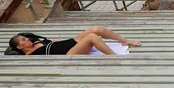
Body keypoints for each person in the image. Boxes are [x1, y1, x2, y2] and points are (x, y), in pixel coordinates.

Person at [8, 27, 141, 56]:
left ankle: (125, 40)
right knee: (92, 37)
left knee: (96, 29)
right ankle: (114, 57)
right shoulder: (29, 56)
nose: (27, 39)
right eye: (24, 40)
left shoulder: (37, 43)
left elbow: (53, 43)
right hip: (69, 53)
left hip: (70, 42)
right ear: (20, 47)